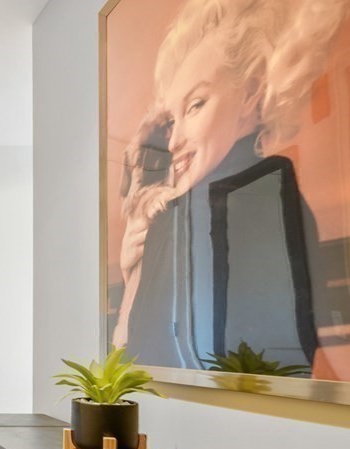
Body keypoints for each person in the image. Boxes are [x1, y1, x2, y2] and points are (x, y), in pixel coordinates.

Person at [112, 0, 349, 374]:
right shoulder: (182, 212)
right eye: (173, 119)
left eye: (196, 105)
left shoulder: (260, 193)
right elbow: (137, 367)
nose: (173, 142)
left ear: (252, 92)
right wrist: (133, 279)